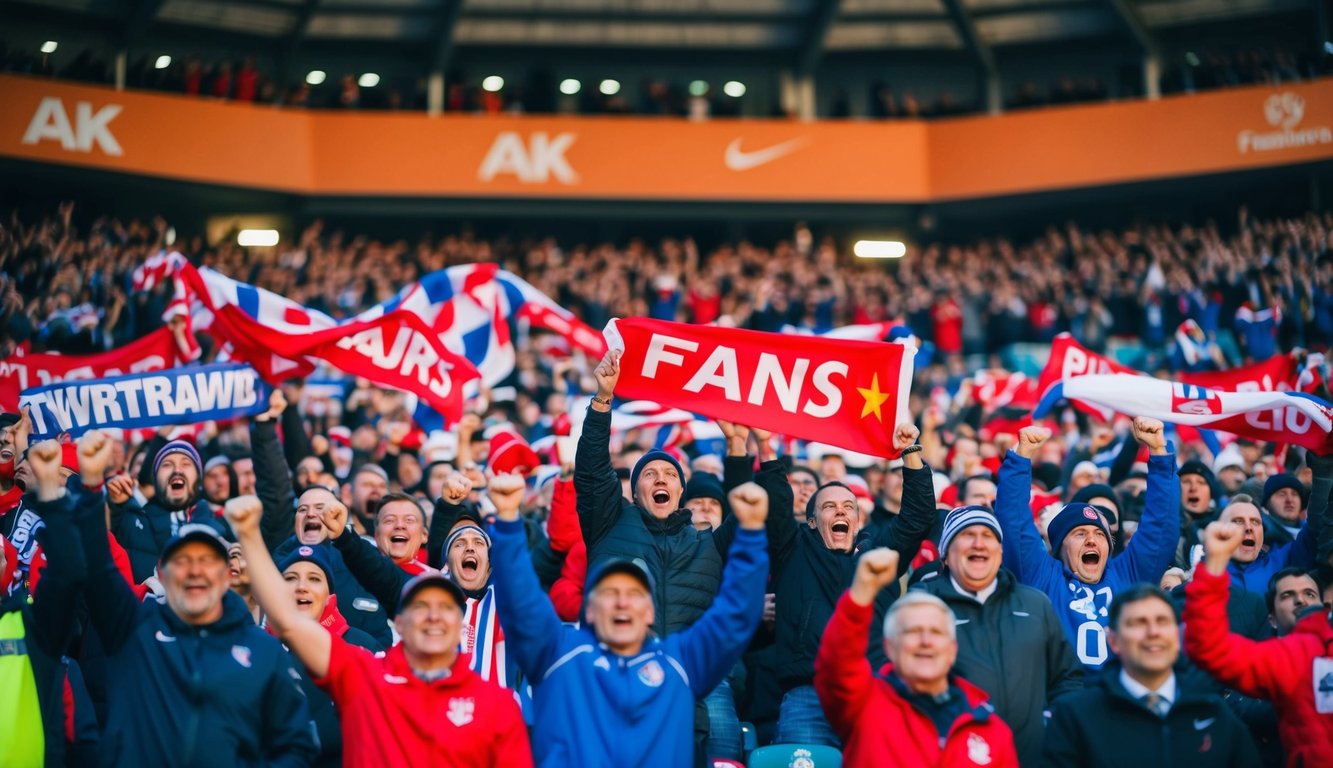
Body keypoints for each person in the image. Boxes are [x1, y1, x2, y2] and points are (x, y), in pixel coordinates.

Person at [41, 431, 317, 767]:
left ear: (224, 574)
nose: (195, 571)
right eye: (183, 561)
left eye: (207, 561)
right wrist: (90, 486)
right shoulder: (133, 630)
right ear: (164, 575)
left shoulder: (262, 648)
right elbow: (99, 565)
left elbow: (295, 743)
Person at [226, 494, 532, 767]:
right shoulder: (366, 676)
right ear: (399, 623)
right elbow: (290, 623)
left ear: (460, 625)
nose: (434, 616)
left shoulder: (497, 705)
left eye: (447, 608)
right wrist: (249, 534)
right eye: (421, 606)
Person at [490, 472, 770, 767]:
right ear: (588, 610)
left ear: (650, 611)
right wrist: (508, 522)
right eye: (610, 592)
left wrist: (751, 534)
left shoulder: (680, 662)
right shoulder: (556, 653)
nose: (623, 602)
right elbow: (520, 601)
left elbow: (734, 615)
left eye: (635, 594)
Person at [996, 419, 1179, 674]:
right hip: (1062, 703)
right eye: (1080, 533)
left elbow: (1161, 527)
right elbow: (1013, 522)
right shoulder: (1041, 576)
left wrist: (1159, 453)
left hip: (1119, 699)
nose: (1092, 540)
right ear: (1059, 547)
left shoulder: (1127, 576)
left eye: (1100, 535)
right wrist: (1020, 457)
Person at [815, 548, 1019, 767]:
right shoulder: (863, 705)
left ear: (952, 649)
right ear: (889, 647)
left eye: (936, 632)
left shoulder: (991, 729)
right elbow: (837, 666)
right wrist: (860, 595)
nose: (925, 640)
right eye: (912, 631)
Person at [912, 505, 1082, 766]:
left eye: (989, 536)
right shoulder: (922, 606)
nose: (979, 543)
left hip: (1033, 759)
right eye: (967, 535)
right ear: (945, 554)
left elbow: (1066, 678)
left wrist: (1054, 727)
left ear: (1000, 551)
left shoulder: (1035, 604)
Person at [1043, 583, 1259, 767]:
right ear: (1113, 641)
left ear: (1176, 637)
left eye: (1162, 621)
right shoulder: (1075, 716)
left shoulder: (1212, 710)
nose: (1153, 632)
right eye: (1139, 622)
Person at [1185, 519, 1333, 767]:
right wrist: (1214, 566)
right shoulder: (1291, 656)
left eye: (1309, 594)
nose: (1301, 601)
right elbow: (1210, 649)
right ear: (1271, 618)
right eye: (1288, 595)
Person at [108, 438, 223, 581]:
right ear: (155, 481)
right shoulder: (132, 523)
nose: (177, 470)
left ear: (199, 479)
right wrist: (116, 507)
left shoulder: (223, 524)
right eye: (167, 465)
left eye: (186, 464)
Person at [1212, 493, 1319, 594]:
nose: (1249, 528)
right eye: (1238, 521)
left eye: (1255, 522)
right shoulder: (1200, 567)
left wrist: (1322, 479)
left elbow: (1315, 526)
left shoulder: (1282, 559)